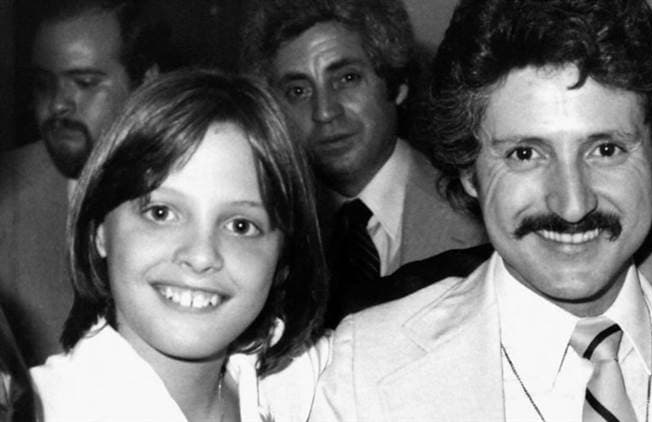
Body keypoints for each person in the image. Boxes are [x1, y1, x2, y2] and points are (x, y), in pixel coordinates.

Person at [310, 0, 652, 420]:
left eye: (605, 150)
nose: (573, 206)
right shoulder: (364, 372)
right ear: (469, 171)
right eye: (525, 154)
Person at [31, 70, 329, 422]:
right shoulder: (42, 410)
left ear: (283, 256)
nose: (201, 256)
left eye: (240, 226)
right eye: (161, 213)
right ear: (100, 232)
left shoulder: (301, 381)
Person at [239, 0, 488, 325]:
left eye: (347, 78)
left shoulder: (480, 220)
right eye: (298, 91)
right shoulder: (264, 229)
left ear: (398, 85)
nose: (324, 112)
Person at [0, 0, 170, 365]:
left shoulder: (205, 190)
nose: (57, 105)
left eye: (85, 83)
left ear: (146, 83)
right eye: (43, 84)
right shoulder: (7, 199)